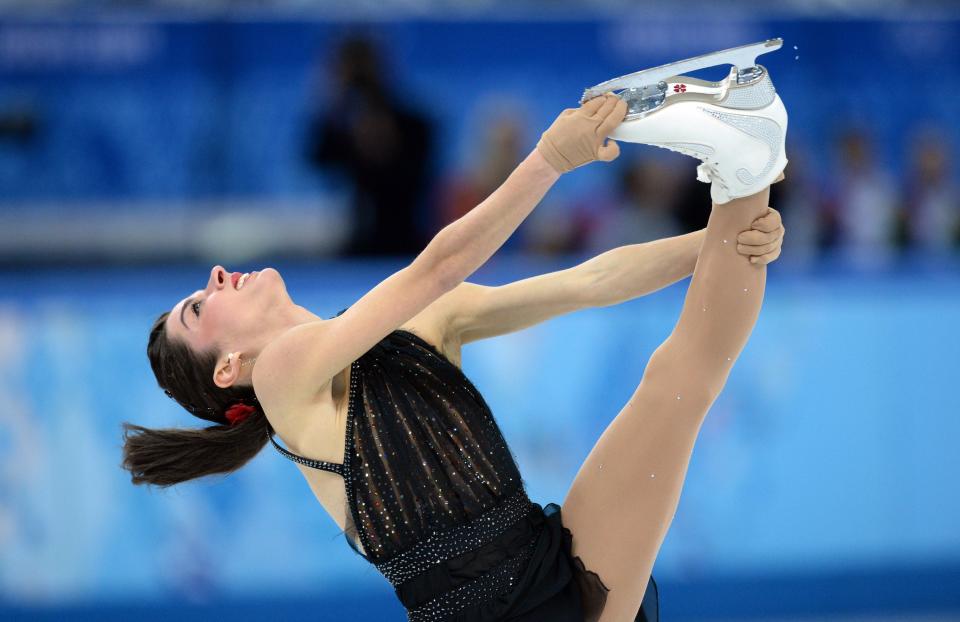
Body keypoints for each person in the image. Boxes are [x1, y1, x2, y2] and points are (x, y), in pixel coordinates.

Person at [124, 90, 787, 621]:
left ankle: (745, 171)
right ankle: (747, 158)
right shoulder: (281, 380)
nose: (214, 276)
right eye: (197, 309)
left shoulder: (412, 323)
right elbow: (439, 266)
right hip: (508, 612)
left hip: (545, 560)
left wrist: (720, 244)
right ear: (227, 368)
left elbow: (589, 281)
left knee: (676, 379)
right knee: (677, 380)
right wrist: (549, 160)